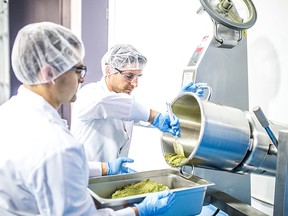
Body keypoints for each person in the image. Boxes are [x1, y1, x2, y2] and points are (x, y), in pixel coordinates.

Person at [0, 22, 175, 216]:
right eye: (77, 70)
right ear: (49, 73)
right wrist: (138, 212)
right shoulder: (57, 144)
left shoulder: (8, 112)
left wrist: (105, 168)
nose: (82, 79)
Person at [71, 44, 206, 163]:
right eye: (129, 76)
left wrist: (179, 104)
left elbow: (142, 115)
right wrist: (154, 116)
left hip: (109, 180)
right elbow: (107, 104)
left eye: (138, 77)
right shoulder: (89, 94)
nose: (135, 84)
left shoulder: (125, 101)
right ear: (108, 71)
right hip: (86, 180)